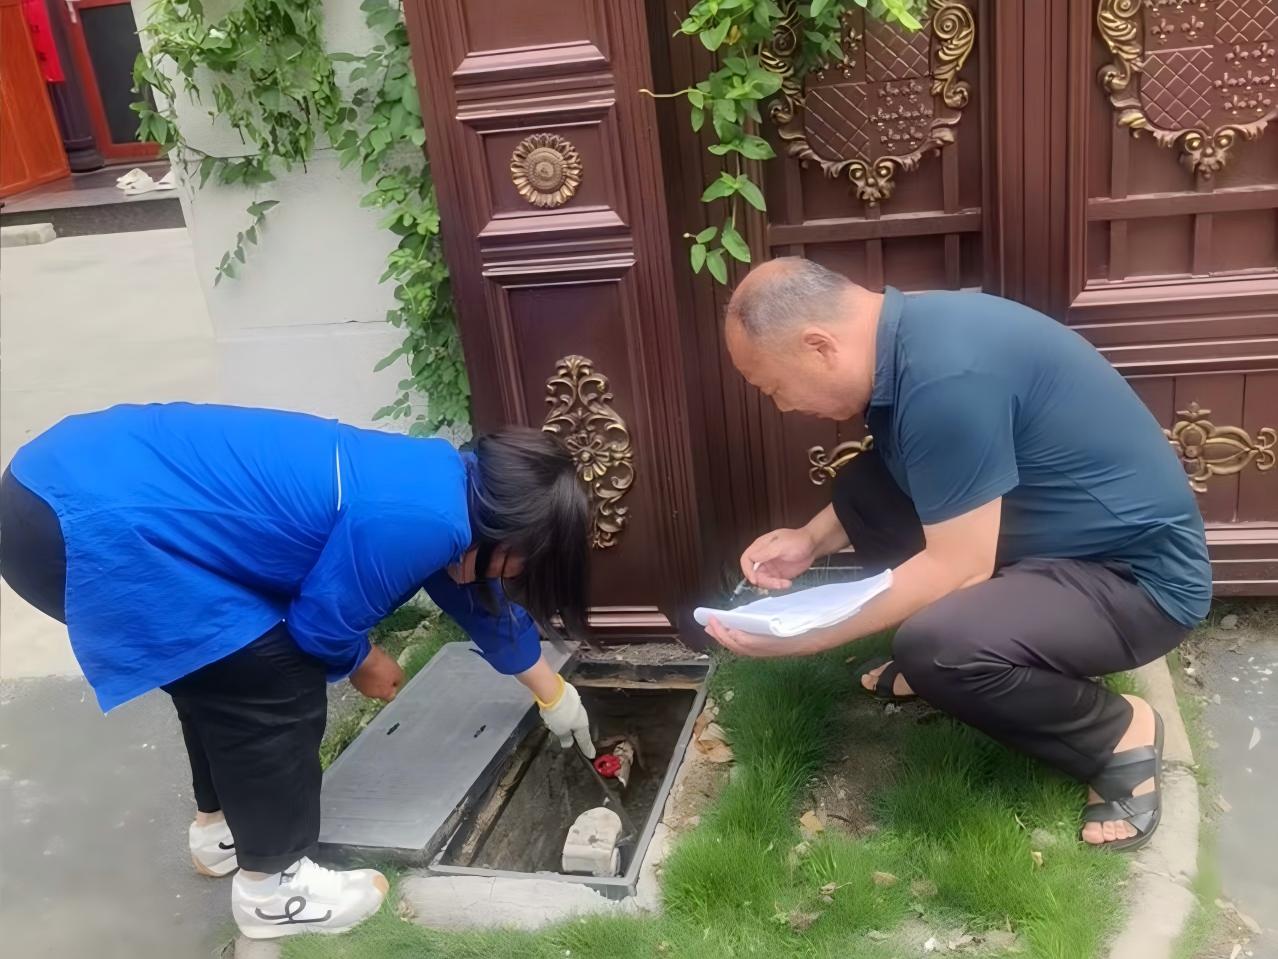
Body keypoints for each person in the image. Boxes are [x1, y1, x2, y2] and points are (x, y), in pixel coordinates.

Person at [0, 403, 596, 940]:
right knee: (270, 679)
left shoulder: (444, 483)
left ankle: (223, 832)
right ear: (506, 529)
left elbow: (472, 593)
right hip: (85, 523)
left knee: (215, 670)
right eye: (525, 559)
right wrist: (365, 660)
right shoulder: (425, 520)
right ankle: (274, 890)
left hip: (58, 477)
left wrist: (553, 692)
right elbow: (321, 627)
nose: (517, 573)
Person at [706, 258, 1210, 852]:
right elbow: (906, 473)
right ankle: (976, 657)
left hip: (1135, 581)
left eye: (774, 387)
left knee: (937, 648)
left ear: (819, 346)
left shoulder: (946, 379)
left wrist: (803, 637)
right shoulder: (909, 340)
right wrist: (809, 542)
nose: (782, 406)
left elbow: (958, 566)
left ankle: (1116, 732)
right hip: (1051, 538)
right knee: (866, 491)